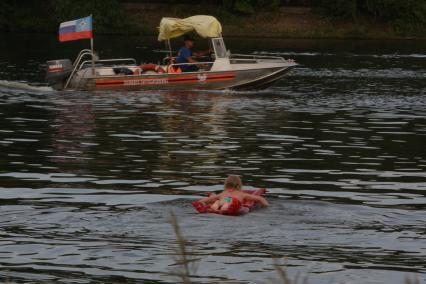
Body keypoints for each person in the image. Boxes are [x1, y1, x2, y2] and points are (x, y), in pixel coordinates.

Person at [199, 175, 269, 213]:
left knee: (217, 201)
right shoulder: (242, 194)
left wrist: (202, 203)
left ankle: (215, 207)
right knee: (229, 202)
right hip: (232, 202)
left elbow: (206, 200)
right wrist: (266, 206)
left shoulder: (223, 193)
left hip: (222, 201)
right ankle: (225, 206)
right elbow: (260, 199)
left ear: (226, 185)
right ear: (239, 185)